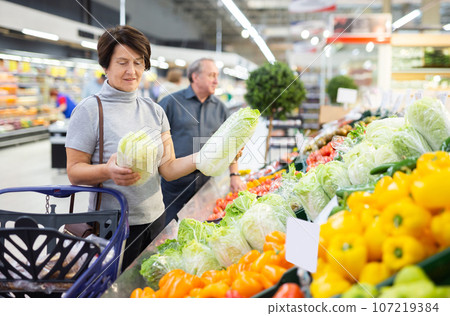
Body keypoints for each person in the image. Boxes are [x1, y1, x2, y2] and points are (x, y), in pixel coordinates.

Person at [65, 25, 217, 271]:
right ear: (105, 66)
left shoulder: (154, 111)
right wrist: (107, 171)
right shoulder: (90, 110)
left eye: (138, 63)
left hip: (156, 219)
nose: (132, 71)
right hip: (112, 226)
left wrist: (206, 156)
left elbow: (168, 169)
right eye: (122, 62)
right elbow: (74, 171)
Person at [159, 58, 246, 226]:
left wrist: (234, 174)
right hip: (174, 188)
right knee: (168, 235)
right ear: (195, 77)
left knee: (201, 231)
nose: (216, 80)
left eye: (217, 75)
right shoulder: (171, 103)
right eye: (211, 75)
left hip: (207, 187)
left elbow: (233, 144)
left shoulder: (220, 108)